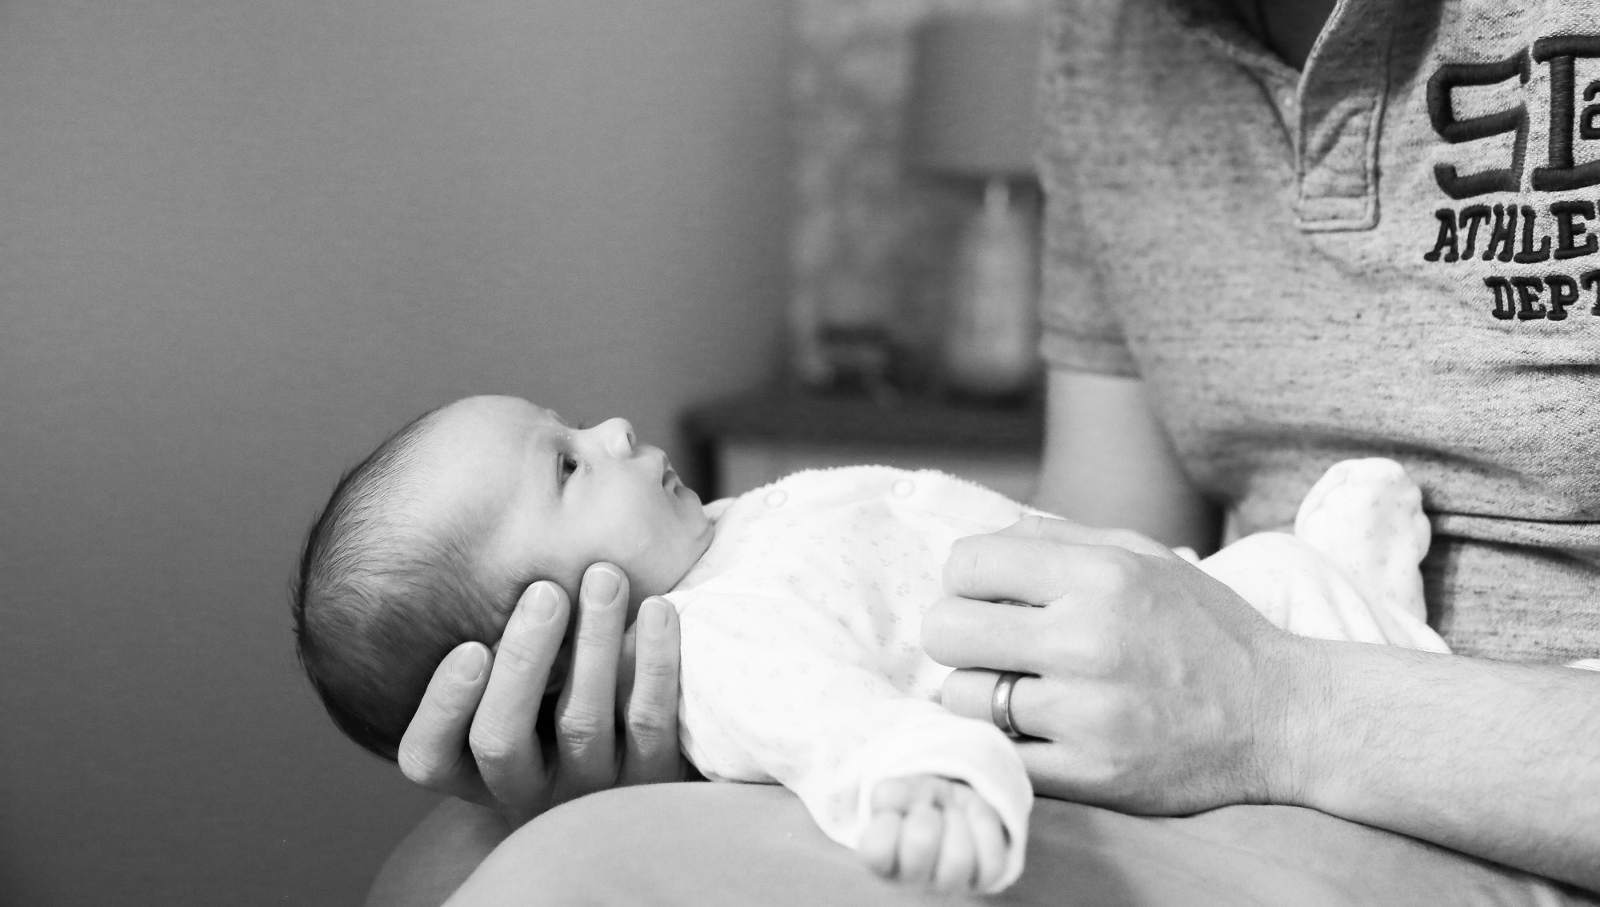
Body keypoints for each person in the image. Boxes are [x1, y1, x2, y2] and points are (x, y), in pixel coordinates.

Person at [369, 0, 1600, 903]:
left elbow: (1221, 695)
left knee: (560, 886)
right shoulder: (1110, 3)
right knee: (436, 874)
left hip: (1490, 792)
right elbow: (1096, 558)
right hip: (1233, 747)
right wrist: (723, 723)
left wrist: (1276, 709)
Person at [299, 395, 1442, 895]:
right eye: (566, 466)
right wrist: (926, 781)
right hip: (1063, 682)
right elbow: (831, 726)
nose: (613, 430)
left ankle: (1346, 598)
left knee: (1276, 579)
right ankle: (1390, 641)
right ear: (553, 638)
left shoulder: (729, 539)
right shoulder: (722, 639)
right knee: (437, 878)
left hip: (1145, 601)